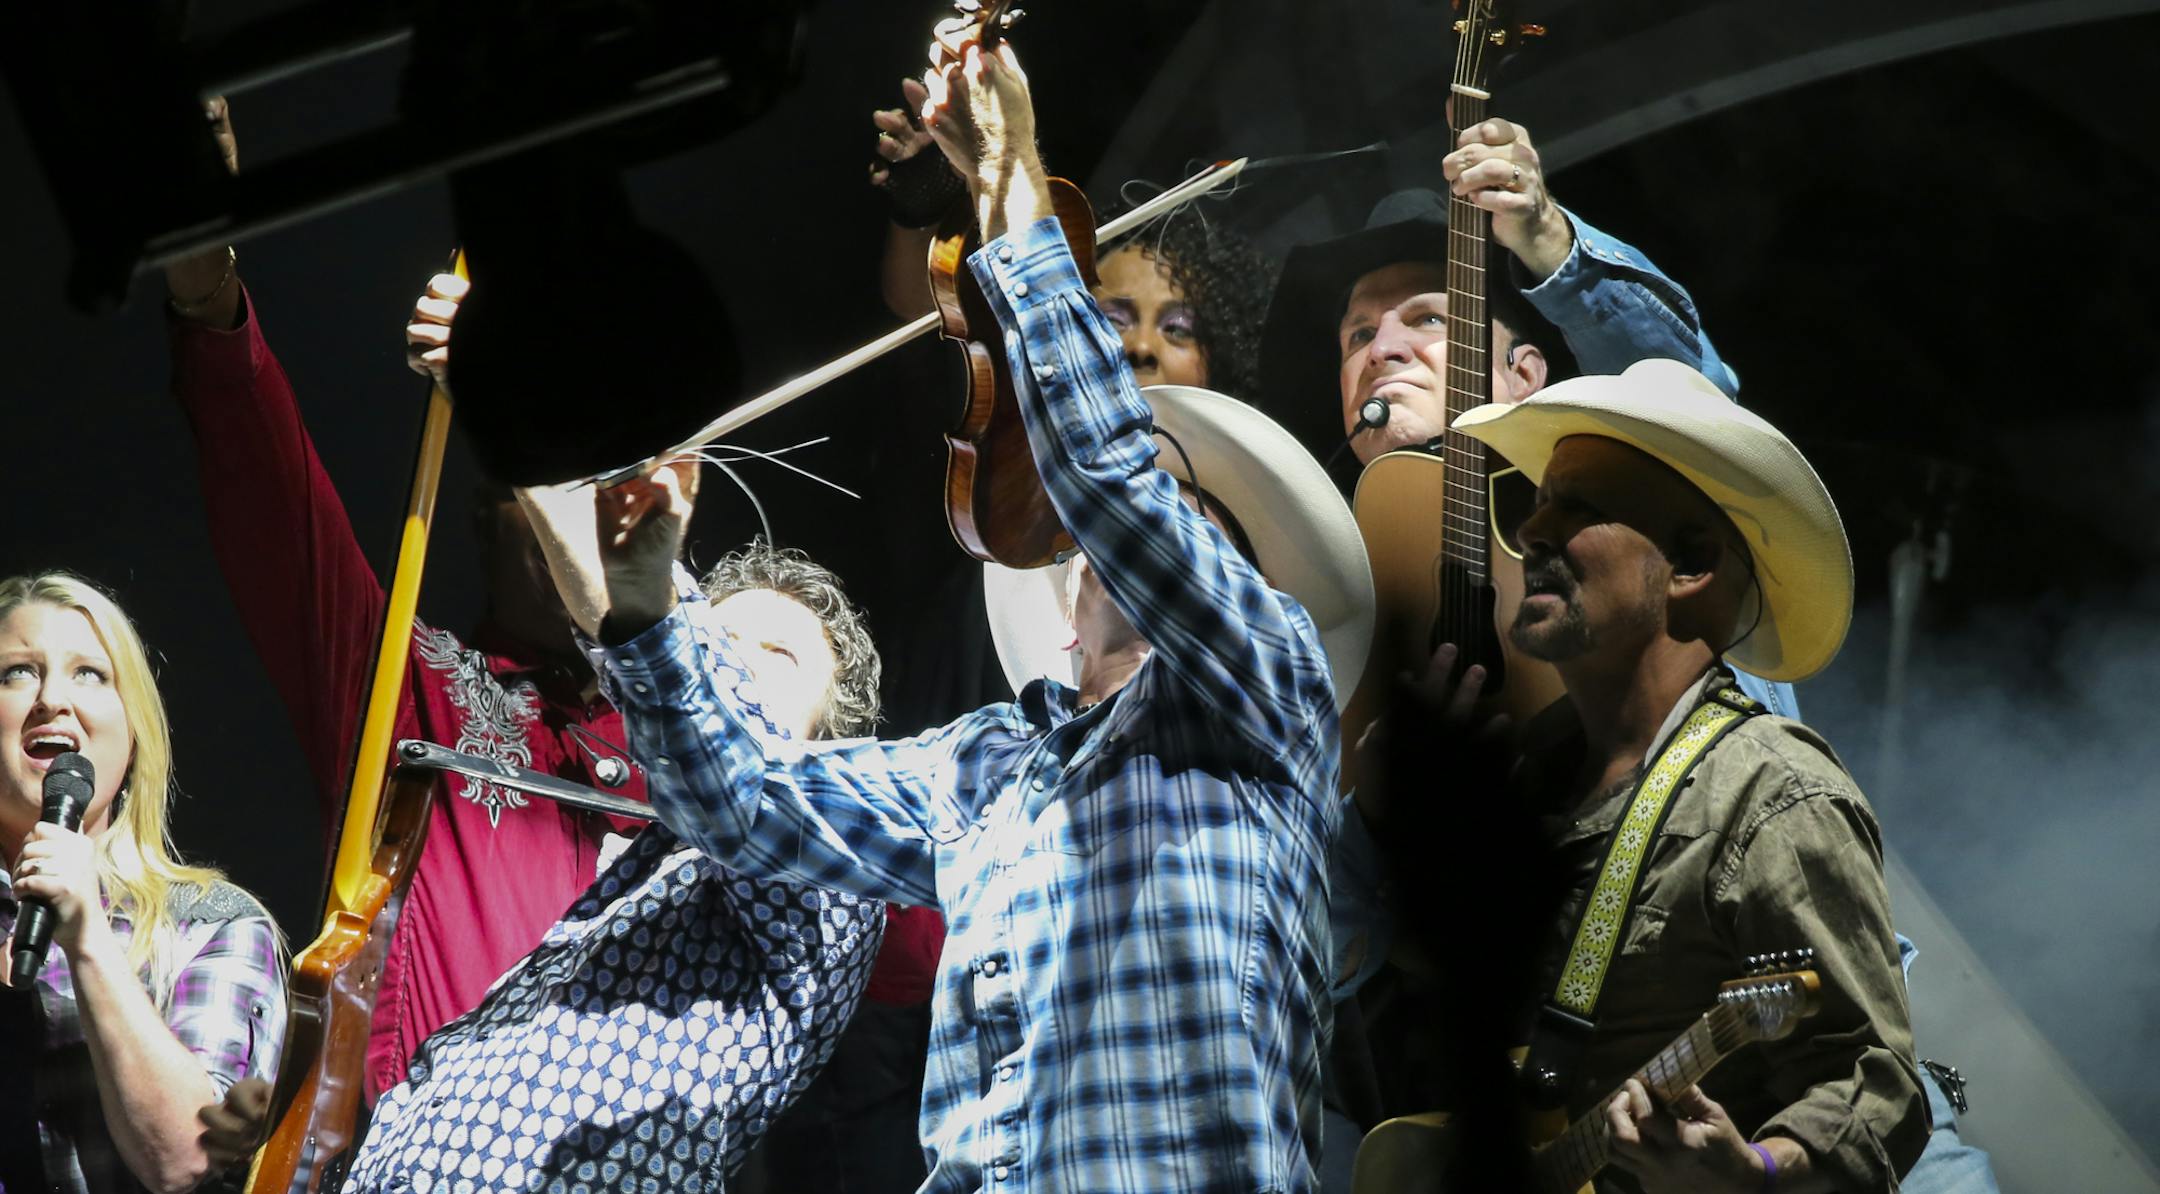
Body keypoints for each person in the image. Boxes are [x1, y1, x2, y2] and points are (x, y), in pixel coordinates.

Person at [523, 31, 1374, 1192]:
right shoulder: (987, 769)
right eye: (1142, 525)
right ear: (1066, 593)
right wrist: (642, 610)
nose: (1166, 535)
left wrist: (1010, 169)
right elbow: (738, 798)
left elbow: (1111, 480)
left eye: (1198, 526)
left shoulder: (1262, 674)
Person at [1423, 359, 1930, 1190]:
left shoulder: (1770, 793)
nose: (1533, 531)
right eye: (1538, 500)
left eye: (1576, 507)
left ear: (1691, 564)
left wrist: (1756, 1171)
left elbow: (1869, 1084)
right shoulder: (1526, 774)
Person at [335, 537, 888, 1192]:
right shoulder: (632, 881)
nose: (731, 664)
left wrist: (630, 551)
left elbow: (704, 718)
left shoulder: (836, 851)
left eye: (778, 657)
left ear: (833, 742)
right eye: (721, 640)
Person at [0, 572, 285, 1194]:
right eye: (17, 673)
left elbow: (182, 1160)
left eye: (90, 674)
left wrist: (87, 937)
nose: (52, 698)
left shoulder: (211, 924)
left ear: (133, 732)